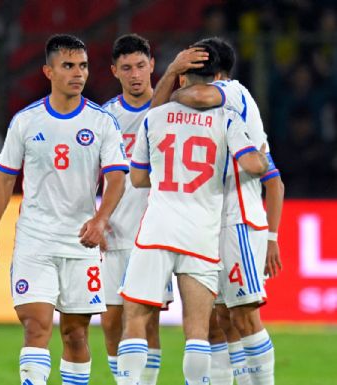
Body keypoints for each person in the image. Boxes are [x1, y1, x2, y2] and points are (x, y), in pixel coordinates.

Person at [0, 34, 128, 385]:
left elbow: (117, 179)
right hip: (36, 239)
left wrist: (100, 218)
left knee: (75, 334)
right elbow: (4, 180)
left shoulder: (102, 122)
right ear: (48, 71)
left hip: (82, 241)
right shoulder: (26, 122)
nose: (78, 73)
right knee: (36, 325)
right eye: (68, 66)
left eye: (83, 66)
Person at [116, 42, 269, 385]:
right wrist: (260, 156)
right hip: (201, 232)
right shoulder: (227, 117)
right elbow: (252, 164)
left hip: (157, 228)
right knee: (198, 331)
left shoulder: (154, 116)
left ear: (182, 78)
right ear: (216, 77)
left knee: (137, 318)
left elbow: (138, 178)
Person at [158, 37, 284, 385]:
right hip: (208, 221)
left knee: (244, 316)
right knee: (218, 321)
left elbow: (198, 95)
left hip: (238, 219)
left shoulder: (235, 92)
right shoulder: (216, 116)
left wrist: (173, 87)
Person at [100, 33, 172, 385]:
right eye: (126, 68)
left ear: (153, 65)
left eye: (141, 65)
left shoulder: (169, 113)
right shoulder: (105, 118)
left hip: (154, 233)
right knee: (112, 321)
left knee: (145, 318)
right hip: (114, 231)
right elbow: (89, 176)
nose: (135, 74)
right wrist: (97, 219)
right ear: (115, 71)